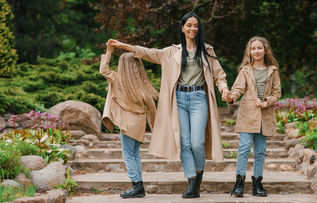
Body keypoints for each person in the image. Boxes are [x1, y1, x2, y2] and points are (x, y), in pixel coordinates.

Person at [108, 12, 229, 198]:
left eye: (196, 25)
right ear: (182, 28)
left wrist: (224, 89)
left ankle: (198, 176)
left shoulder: (207, 50)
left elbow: (219, 74)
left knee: (197, 143)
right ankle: (191, 182)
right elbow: (148, 53)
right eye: (189, 25)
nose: (192, 28)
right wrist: (124, 46)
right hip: (178, 100)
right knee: (184, 142)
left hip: (198, 98)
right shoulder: (171, 52)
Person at [223, 36, 281, 197]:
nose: (256, 51)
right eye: (253, 48)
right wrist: (230, 97)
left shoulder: (273, 70)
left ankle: (257, 183)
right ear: (249, 51)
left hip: (265, 116)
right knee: (243, 149)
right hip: (248, 115)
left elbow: (277, 93)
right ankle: (239, 183)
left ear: (265, 50)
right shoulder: (245, 70)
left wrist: (266, 102)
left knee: (261, 151)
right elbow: (237, 90)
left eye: (259, 48)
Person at [100, 40, 158, 198]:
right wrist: (155, 126)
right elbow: (152, 108)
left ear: (122, 66)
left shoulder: (118, 79)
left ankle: (137, 185)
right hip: (139, 124)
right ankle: (138, 185)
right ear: (138, 66)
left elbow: (103, 70)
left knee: (128, 155)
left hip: (127, 124)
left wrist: (109, 51)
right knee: (135, 154)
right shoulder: (142, 84)